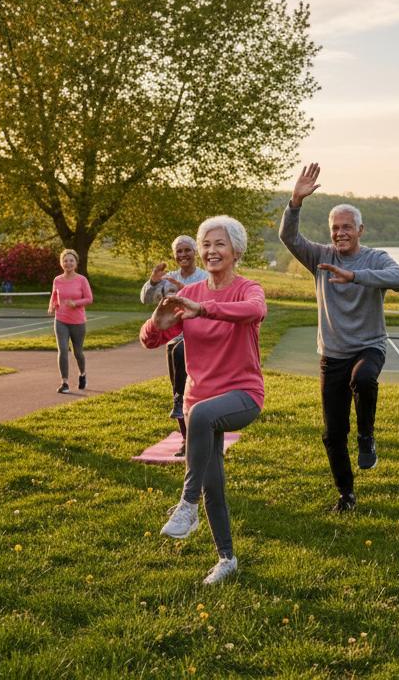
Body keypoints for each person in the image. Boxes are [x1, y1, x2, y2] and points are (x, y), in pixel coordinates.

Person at [141, 215, 266, 585]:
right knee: (214, 482)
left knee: (200, 414)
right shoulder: (189, 294)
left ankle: (186, 503)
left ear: (236, 251)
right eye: (206, 244)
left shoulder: (248, 288)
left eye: (220, 244)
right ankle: (226, 558)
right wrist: (157, 320)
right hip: (201, 404)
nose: (211, 251)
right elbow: (150, 340)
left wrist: (205, 309)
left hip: (242, 394)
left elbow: (255, 311)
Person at [280, 162, 399, 512]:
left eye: (347, 227)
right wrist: (295, 201)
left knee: (364, 378)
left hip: (369, 346)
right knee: (332, 433)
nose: (340, 233)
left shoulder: (376, 258)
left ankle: (367, 436)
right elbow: (288, 238)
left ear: (360, 229)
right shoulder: (320, 257)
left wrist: (354, 276)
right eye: (335, 228)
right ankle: (346, 494)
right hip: (332, 355)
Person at [140, 235, 210, 456]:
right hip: (176, 333)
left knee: (179, 352)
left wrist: (184, 292)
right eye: (178, 251)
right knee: (175, 357)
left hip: (200, 332)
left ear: (195, 252)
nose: (183, 255)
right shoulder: (169, 278)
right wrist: (153, 281)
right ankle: (185, 434)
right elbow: (146, 299)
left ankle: (200, 430)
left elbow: (210, 304)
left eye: (187, 250)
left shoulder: (204, 277)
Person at [48, 249, 93, 393]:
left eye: (71, 260)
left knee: (77, 352)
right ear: (61, 263)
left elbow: (89, 299)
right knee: (62, 350)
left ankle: (82, 374)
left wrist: (76, 303)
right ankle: (65, 383)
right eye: (65, 261)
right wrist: (52, 306)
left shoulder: (81, 280)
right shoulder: (57, 280)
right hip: (60, 319)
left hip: (78, 321)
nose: (68, 263)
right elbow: (55, 295)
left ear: (76, 263)